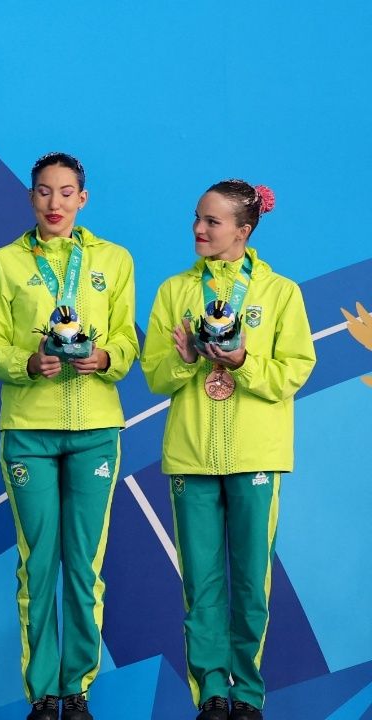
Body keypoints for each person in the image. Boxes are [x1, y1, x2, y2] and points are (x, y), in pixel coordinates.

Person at [0, 152, 138, 720]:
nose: (55, 203)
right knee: (37, 562)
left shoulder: (113, 260)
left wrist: (108, 356)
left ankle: (78, 687)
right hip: (28, 431)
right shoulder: (4, 262)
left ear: (83, 199)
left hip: (96, 430)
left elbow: (127, 341)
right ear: (30, 196)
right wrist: (26, 363)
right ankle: (43, 693)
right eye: (44, 192)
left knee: (84, 564)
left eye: (67, 193)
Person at [141, 180, 314, 720]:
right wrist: (189, 358)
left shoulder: (280, 292)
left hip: (256, 456)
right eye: (197, 217)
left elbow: (296, 370)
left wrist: (242, 364)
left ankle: (248, 692)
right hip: (191, 455)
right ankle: (212, 690)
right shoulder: (175, 291)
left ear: (244, 230)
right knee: (202, 580)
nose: (199, 228)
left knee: (250, 580)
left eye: (213, 222)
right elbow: (154, 375)